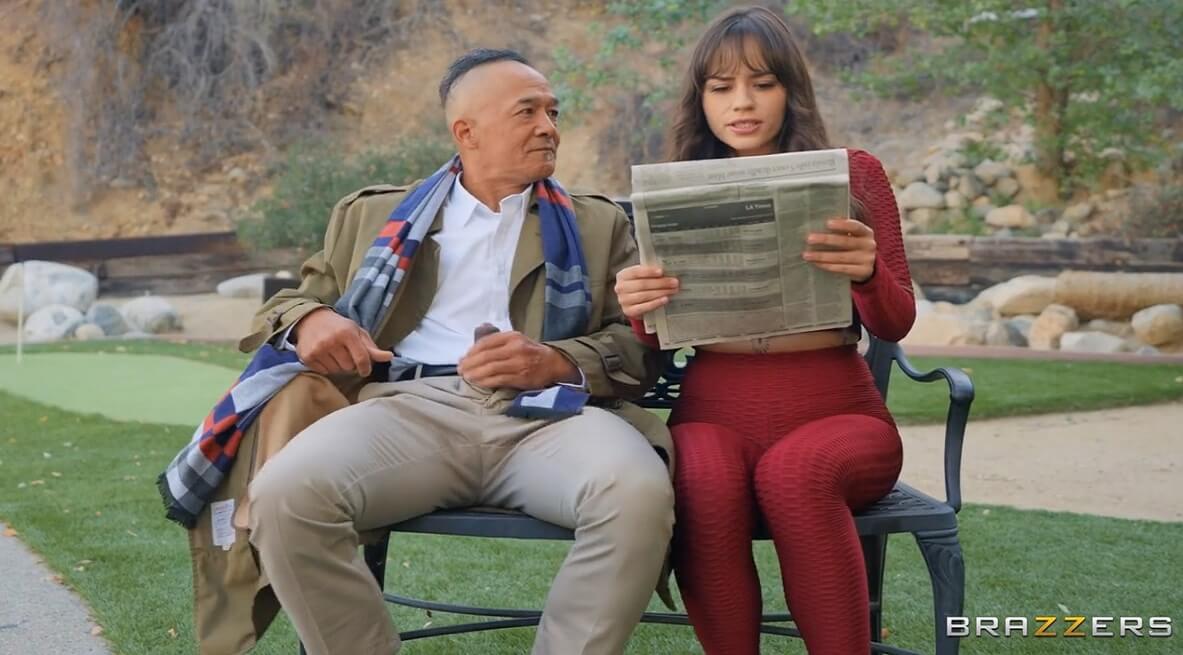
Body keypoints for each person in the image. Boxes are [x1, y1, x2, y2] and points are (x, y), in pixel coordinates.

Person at [157, 48, 676, 655]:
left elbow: (637, 348)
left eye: (553, 112)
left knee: (636, 493)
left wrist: (555, 362)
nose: (549, 128)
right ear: (466, 132)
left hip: (552, 416)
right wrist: (311, 320)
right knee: (285, 496)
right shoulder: (373, 216)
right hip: (406, 410)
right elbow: (292, 302)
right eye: (528, 112)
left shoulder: (598, 224)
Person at [613, 7, 916, 654]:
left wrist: (868, 275)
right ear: (700, 100)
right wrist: (639, 304)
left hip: (840, 415)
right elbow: (653, 339)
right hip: (713, 412)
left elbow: (896, 321)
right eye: (721, 87)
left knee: (795, 472)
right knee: (700, 474)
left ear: (791, 90)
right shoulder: (675, 187)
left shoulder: (853, 172)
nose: (742, 103)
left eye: (762, 83)